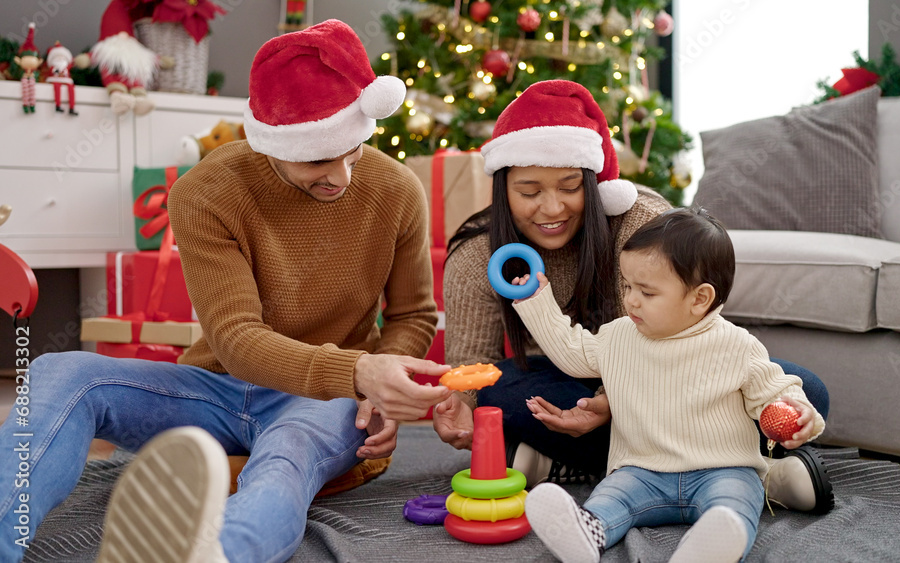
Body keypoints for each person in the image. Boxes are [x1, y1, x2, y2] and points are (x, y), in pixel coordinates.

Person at [0, 20, 453, 563]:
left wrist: (376, 387)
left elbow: (413, 315)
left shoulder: (397, 190)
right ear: (270, 144)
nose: (341, 177)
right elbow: (237, 340)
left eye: (353, 151)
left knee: (288, 454)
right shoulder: (207, 191)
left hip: (325, 399)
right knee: (60, 372)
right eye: (316, 160)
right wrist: (358, 371)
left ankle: (220, 554)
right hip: (214, 388)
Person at [434, 80, 833, 513]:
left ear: (593, 180)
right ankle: (726, 470)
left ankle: (565, 464)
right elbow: (472, 366)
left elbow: (701, 334)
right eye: (529, 192)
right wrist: (462, 405)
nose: (552, 209)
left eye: (570, 187)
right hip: (562, 379)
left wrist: (615, 398)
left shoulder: (641, 222)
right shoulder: (478, 253)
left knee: (807, 392)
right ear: (502, 188)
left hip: (668, 377)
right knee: (499, 392)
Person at [514, 206, 825, 563]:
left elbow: (773, 391)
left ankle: (713, 545)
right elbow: (571, 351)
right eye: (627, 285)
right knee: (611, 495)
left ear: (699, 299)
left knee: (736, 501)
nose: (630, 299)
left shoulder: (737, 345)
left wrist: (794, 412)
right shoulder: (619, 336)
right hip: (641, 469)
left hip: (722, 469)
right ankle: (588, 530)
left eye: (646, 292)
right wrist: (536, 302)